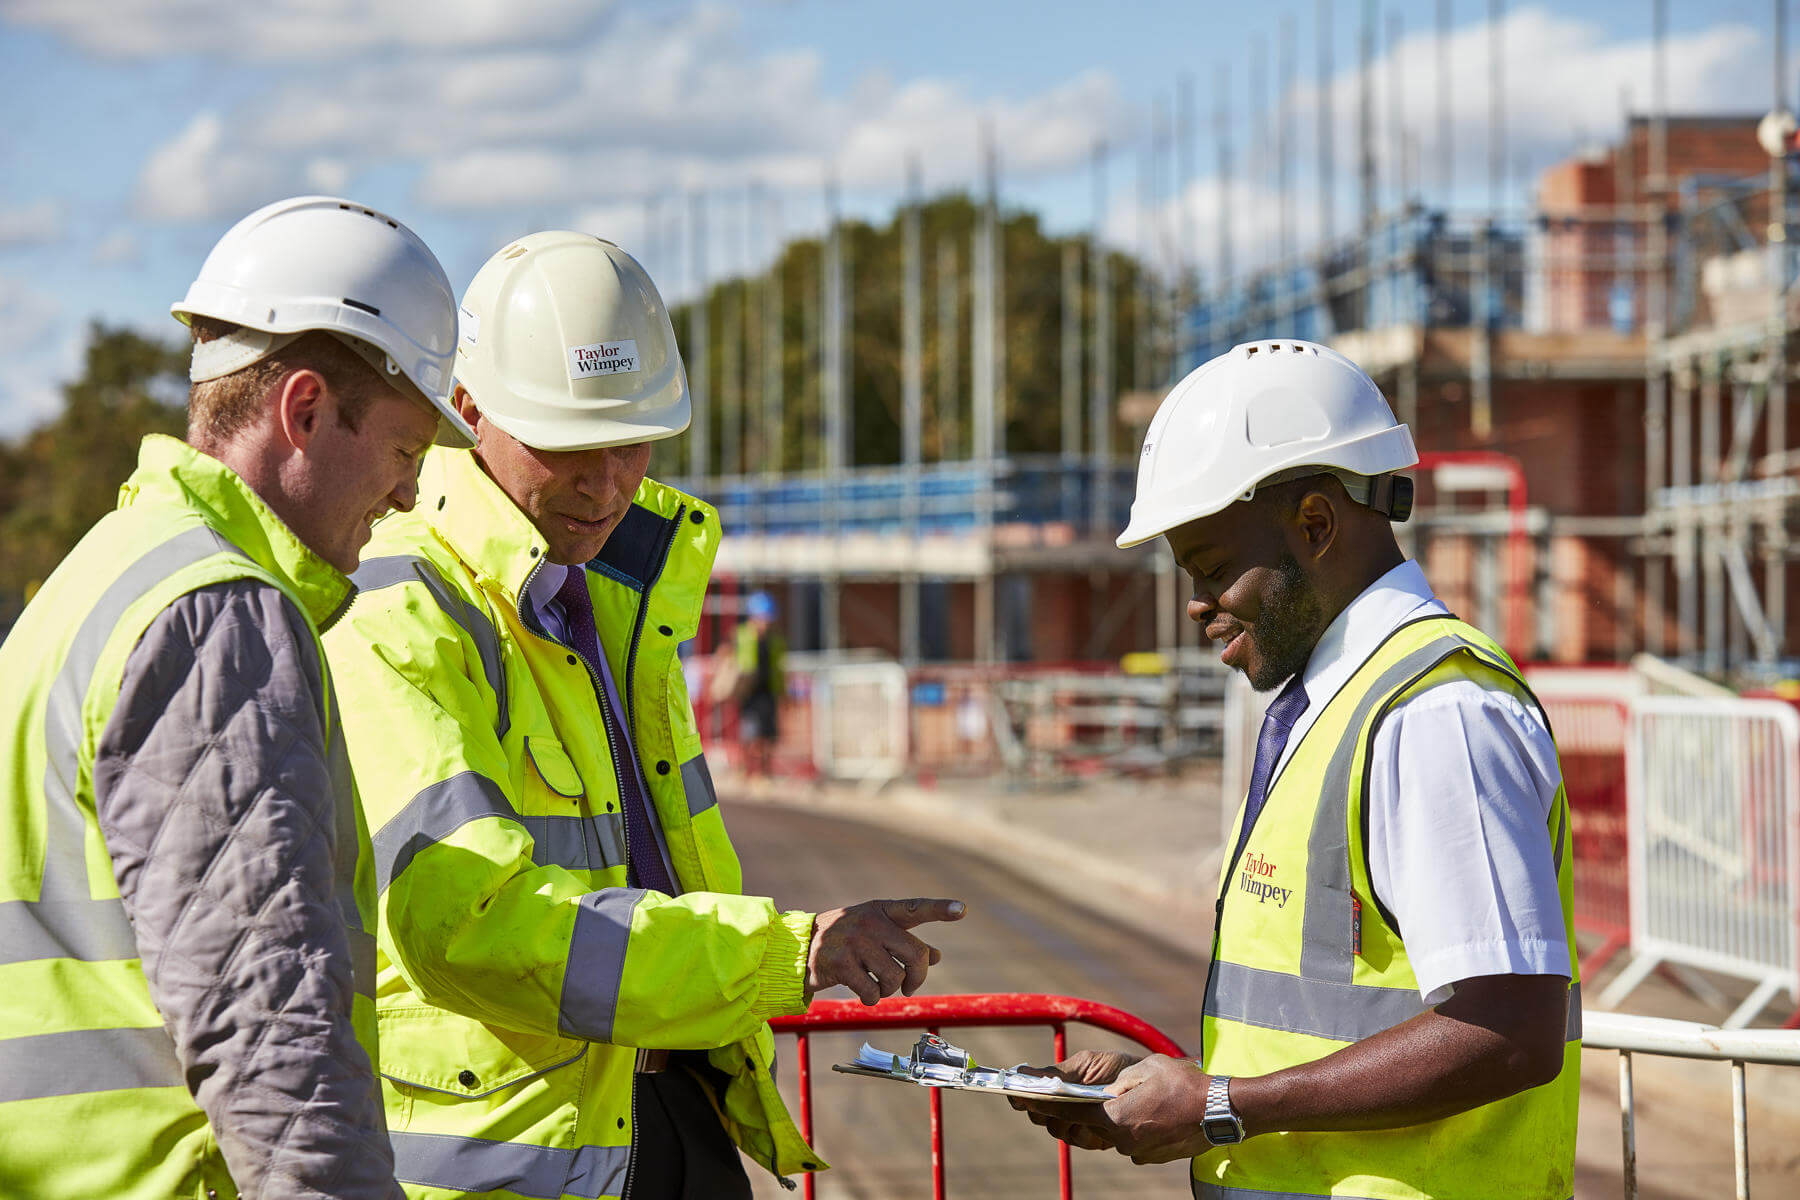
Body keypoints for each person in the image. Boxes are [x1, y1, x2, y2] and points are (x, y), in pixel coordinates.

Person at [323, 231, 965, 1200]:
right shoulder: (404, 611)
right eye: (566, 444)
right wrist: (788, 951)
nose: (606, 481)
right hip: (514, 1158)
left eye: (629, 442)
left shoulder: (612, 601)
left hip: (667, 1116)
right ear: (467, 410)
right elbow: (470, 927)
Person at [1015, 339, 1579, 1199]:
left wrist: (1221, 1104)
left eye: (1209, 568)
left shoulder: (1436, 715)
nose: (1198, 605)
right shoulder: (1337, 704)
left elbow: (1507, 1029)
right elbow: (1324, 1019)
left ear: (1316, 524)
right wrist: (1180, 1090)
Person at [0, 195, 475, 1199]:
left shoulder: (104, 576)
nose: (404, 496)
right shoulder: (217, 614)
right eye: (402, 452)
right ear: (303, 411)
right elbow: (275, 1045)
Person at [735, 590, 785, 779]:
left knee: (767, 736)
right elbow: (733, 660)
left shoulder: (775, 639)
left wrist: (783, 692)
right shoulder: (742, 636)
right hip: (749, 694)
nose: (765, 622)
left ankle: (764, 774)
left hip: (767, 693)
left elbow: (779, 667)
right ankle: (748, 772)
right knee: (750, 735)